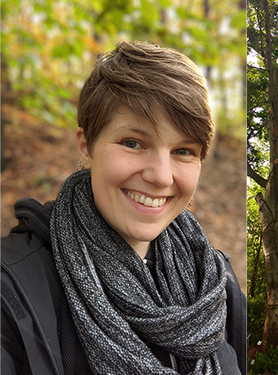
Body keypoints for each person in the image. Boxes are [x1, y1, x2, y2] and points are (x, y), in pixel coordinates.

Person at [1, 41, 246, 375]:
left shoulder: (216, 282)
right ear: (86, 146)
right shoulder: (12, 289)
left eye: (184, 150)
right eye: (133, 143)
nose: (161, 176)